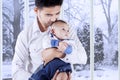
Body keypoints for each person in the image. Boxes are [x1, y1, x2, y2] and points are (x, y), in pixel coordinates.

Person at [12, 0, 87, 80]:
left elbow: (83, 58)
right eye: (48, 14)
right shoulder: (25, 35)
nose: (54, 19)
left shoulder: (66, 29)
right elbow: (16, 70)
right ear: (36, 11)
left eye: (57, 13)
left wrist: (59, 54)